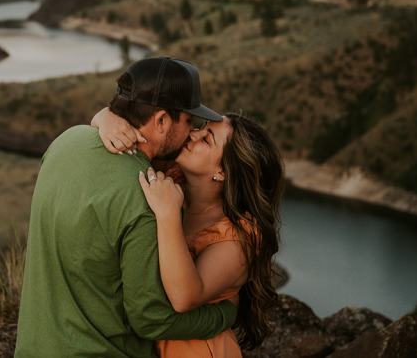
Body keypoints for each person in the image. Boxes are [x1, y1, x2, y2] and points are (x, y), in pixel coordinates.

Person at [15, 56, 235, 358]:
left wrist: (103, 116)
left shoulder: (65, 142)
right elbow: (151, 319)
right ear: (161, 121)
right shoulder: (148, 197)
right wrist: (226, 313)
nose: (190, 133)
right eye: (188, 121)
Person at [93, 109, 284, 357]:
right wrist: (105, 118)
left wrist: (168, 215)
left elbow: (184, 297)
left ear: (223, 172)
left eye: (207, 139)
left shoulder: (237, 238)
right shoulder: (173, 176)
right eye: (201, 127)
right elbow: (124, 130)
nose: (193, 134)